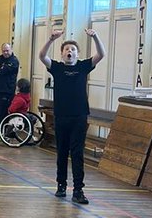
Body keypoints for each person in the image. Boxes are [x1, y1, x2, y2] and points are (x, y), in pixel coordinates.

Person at [39, 29, 105, 205]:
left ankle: (78, 190)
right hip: (61, 116)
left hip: (79, 116)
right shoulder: (57, 68)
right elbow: (42, 55)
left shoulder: (83, 67)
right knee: (62, 152)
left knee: (77, 153)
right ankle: (61, 185)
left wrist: (95, 36)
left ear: (77, 53)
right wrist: (51, 39)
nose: (70, 52)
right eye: (67, 49)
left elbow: (101, 54)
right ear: (62, 54)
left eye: (73, 49)